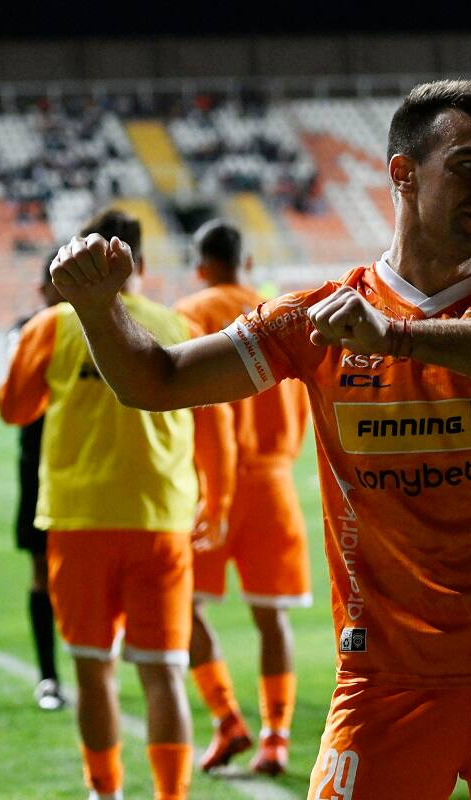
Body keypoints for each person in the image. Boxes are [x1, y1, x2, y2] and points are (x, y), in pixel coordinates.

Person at [48, 80, 471, 800]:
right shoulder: (318, 318)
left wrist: (398, 336)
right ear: (403, 174)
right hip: (383, 683)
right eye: (468, 165)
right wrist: (99, 309)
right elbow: (155, 380)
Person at [0, 209, 212, 800]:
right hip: (161, 518)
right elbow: (208, 419)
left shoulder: (52, 325)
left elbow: (14, 409)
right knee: (165, 673)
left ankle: (106, 793)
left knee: (95, 673)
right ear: (141, 260)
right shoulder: (176, 323)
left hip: (80, 518)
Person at [174, 219, 312, 775]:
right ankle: (276, 736)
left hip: (213, 482)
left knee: (183, 606)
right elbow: (302, 405)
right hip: (274, 481)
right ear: (245, 262)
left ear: (201, 265)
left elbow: (192, 400)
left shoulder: (191, 312)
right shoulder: (278, 311)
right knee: (272, 617)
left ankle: (227, 717)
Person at [8, 248, 66, 712]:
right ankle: (48, 676)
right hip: (39, 465)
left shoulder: (96, 328)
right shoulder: (27, 331)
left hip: (89, 464)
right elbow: (10, 402)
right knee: (41, 573)